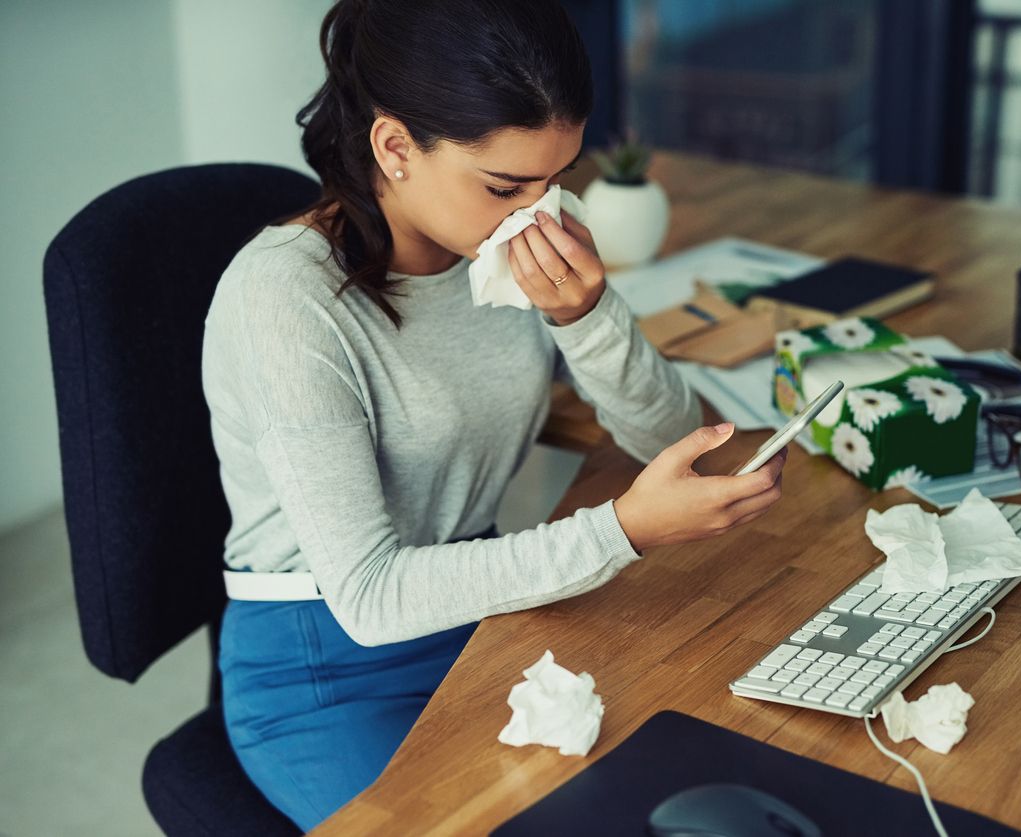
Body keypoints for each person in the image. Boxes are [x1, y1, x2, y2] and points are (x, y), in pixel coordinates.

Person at [201, 0, 786, 829]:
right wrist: (621, 530)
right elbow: (369, 596)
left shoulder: (513, 240)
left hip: (481, 611)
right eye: (506, 186)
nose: (537, 213)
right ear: (395, 147)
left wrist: (587, 315)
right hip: (327, 661)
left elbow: (670, 437)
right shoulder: (285, 299)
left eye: (557, 179)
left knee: (687, 764)